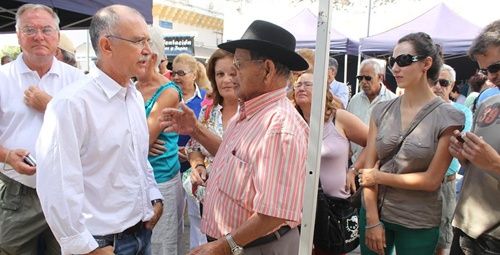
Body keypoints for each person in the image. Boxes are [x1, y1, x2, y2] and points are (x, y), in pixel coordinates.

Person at [161, 20, 309, 255]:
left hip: (256, 248)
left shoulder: (280, 127)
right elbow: (232, 156)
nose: (231, 76)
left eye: (238, 66)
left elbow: (274, 213)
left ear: (267, 69)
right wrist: (195, 129)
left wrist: (223, 246)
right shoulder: (250, 110)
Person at [36, 5, 164, 254]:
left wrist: (153, 196)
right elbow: (57, 185)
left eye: (148, 41)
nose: (148, 51)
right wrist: (86, 248)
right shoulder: (71, 104)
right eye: (139, 41)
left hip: (140, 234)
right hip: (102, 244)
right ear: (107, 46)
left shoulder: (133, 96)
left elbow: (137, 158)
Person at [358, 32, 464, 255]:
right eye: (392, 61)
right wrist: (372, 220)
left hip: (418, 220)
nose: (395, 68)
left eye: (404, 60)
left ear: (426, 63)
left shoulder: (450, 118)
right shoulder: (381, 110)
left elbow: (432, 180)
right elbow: (369, 167)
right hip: (374, 211)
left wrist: (379, 177)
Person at [0, 4, 84, 254]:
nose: (39, 36)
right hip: (19, 192)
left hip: (66, 191)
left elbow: (92, 133)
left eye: (46, 29)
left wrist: (51, 106)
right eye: (30, 29)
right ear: (18, 35)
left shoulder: (78, 80)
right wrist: (6, 156)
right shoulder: (3, 79)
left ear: (57, 36)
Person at [292, 72, 368, 255]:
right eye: (298, 84)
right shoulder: (291, 120)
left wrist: (354, 169)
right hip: (297, 211)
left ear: (323, 90)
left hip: (333, 210)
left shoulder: (338, 118)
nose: (301, 88)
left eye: (308, 84)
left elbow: (374, 141)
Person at [449, 19, 500, 254]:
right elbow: (476, 166)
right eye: (485, 70)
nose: (491, 76)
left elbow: (492, 163)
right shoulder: (488, 100)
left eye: (496, 67)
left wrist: (494, 164)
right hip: (464, 227)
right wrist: (465, 156)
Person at [185, 48, 239, 249]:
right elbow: (194, 146)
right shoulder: (209, 111)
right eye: (220, 74)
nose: (226, 80)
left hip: (241, 205)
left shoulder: (252, 113)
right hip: (210, 202)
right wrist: (197, 164)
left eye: (233, 73)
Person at [136, 27, 182, 255]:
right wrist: (139, 142)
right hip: (134, 179)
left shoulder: (169, 91)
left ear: (153, 55)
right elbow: (140, 139)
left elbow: (144, 137)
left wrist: (139, 141)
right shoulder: (130, 89)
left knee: (162, 247)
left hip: (162, 180)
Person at [429, 64, 472, 255]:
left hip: (445, 184)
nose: (438, 86)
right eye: (434, 81)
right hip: (418, 183)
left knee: (441, 242)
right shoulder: (421, 109)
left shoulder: (462, 112)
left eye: (443, 82)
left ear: (452, 85)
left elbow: (456, 143)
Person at [347, 58, 397, 163]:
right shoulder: (355, 100)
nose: (363, 82)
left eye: (368, 78)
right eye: (360, 78)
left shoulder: (392, 101)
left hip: (380, 166)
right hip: (354, 163)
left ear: (380, 77)